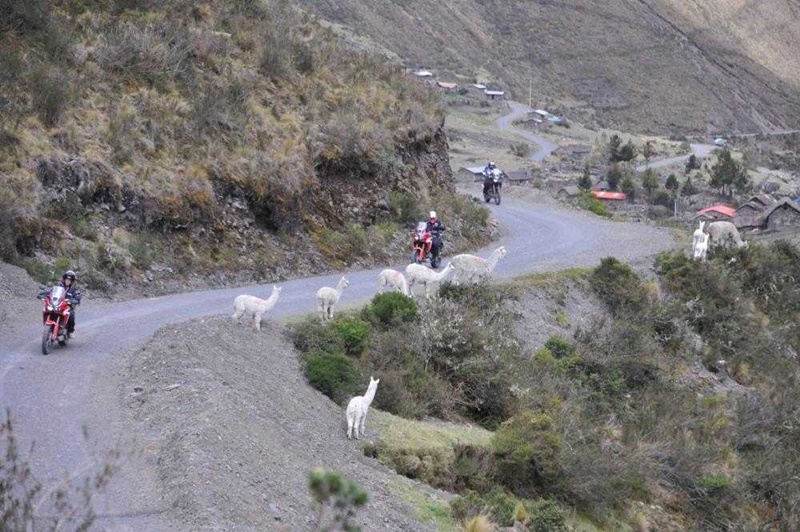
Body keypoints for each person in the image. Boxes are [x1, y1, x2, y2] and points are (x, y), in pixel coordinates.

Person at [40, 270, 82, 338]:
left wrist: (76, 300)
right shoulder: (59, 286)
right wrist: (43, 294)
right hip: (58, 304)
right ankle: (48, 328)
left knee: (71, 314)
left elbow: (78, 296)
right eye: (67, 279)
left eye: (69, 280)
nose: (67, 281)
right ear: (64, 279)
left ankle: (71, 331)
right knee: (47, 309)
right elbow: (50, 292)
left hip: (68, 306)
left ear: (72, 281)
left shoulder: (74, 289)